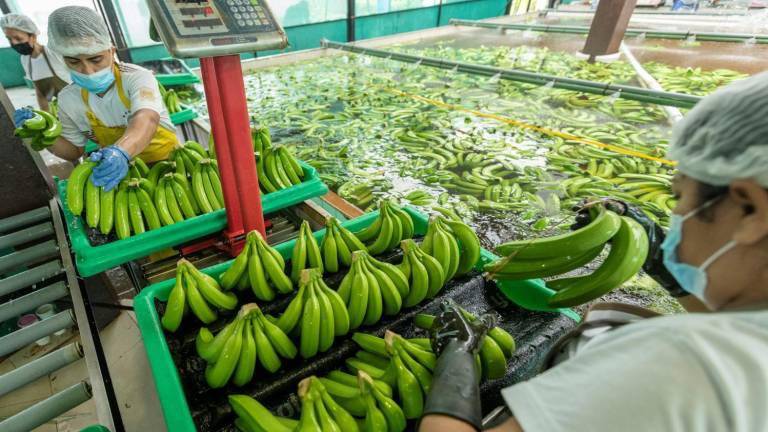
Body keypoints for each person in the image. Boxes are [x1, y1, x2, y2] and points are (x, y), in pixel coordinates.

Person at [419, 71, 768, 432]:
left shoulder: (685, 364)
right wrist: (658, 258)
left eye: (681, 197)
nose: (677, 215)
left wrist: (455, 357)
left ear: (750, 210)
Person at [16, 6, 178, 191]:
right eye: (74, 61)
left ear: (111, 51)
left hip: (169, 167)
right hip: (119, 178)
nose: (87, 70)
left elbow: (146, 118)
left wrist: (120, 152)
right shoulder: (69, 99)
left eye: (96, 59)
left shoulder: (137, 78)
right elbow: (74, 151)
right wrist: (42, 134)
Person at [1, 13, 71, 114]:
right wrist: (46, 115)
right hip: (62, 109)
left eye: (18, 38)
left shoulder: (53, 53)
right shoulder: (25, 60)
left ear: (33, 36)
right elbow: (40, 93)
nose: (14, 43)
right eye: (9, 39)